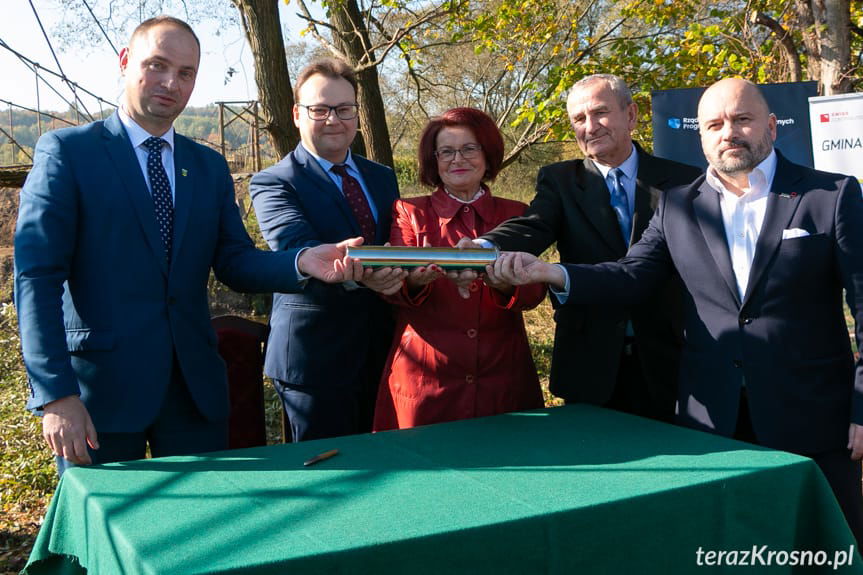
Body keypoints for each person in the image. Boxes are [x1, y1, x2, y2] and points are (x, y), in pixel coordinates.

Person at [494, 78, 863, 543]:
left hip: (813, 418)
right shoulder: (678, 204)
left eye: (742, 119)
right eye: (714, 125)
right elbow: (630, 276)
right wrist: (551, 273)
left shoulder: (831, 195)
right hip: (711, 423)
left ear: (771, 126)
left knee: (826, 550)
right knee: (724, 550)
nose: (729, 133)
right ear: (701, 137)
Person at [14, 16, 363, 473]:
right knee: (103, 518)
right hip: (97, 396)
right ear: (125, 61)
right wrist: (56, 394)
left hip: (193, 394)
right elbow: (36, 278)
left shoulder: (207, 167)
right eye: (157, 65)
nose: (170, 83)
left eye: (185, 73)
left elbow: (234, 261)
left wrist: (301, 262)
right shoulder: (68, 153)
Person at [472, 74, 701, 422]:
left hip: (672, 361)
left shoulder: (684, 180)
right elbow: (533, 225)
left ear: (631, 115)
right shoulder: (560, 180)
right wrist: (483, 246)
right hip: (590, 362)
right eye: (579, 119)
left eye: (600, 113)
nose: (590, 127)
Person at [250, 58, 404, 442]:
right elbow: (299, 246)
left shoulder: (382, 177)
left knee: (388, 461)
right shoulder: (273, 182)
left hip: (383, 349)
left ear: (357, 114)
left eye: (344, 109)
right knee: (329, 468)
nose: (333, 119)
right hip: (315, 360)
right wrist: (371, 276)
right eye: (319, 109)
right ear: (297, 115)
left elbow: (397, 242)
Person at [372, 107, 545, 431]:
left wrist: (503, 283)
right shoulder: (409, 211)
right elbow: (391, 288)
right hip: (425, 378)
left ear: (487, 154)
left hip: (503, 376)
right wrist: (415, 281)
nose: (458, 159)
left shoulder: (517, 214)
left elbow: (535, 290)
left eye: (469, 149)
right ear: (434, 160)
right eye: (447, 151)